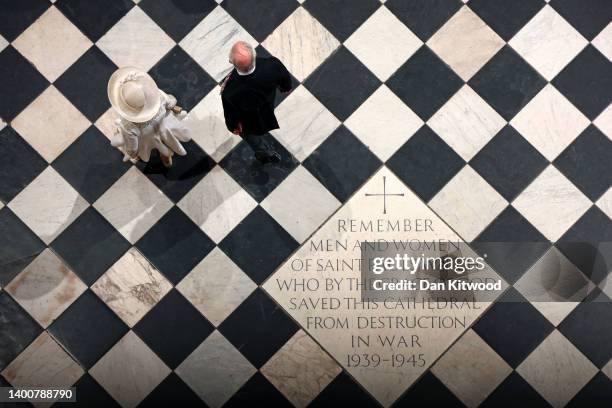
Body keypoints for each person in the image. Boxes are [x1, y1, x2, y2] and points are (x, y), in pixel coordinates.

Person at [221, 41, 292, 163]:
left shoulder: (230, 90)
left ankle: (265, 154)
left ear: (232, 63)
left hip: (249, 120)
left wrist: (233, 127)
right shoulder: (272, 64)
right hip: (267, 104)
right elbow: (285, 79)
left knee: (253, 138)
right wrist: (286, 87)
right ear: (255, 54)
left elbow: (231, 113)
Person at [107, 67, 191, 167]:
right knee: (166, 141)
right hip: (165, 125)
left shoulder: (128, 125)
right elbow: (170, 102)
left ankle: (164, 155)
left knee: (149, 146)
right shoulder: (157, 95)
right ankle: (165, 156)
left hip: (146, 138)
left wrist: (131, 153)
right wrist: (173, 107)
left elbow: (133, 145)